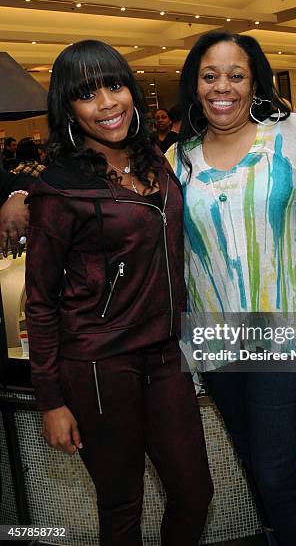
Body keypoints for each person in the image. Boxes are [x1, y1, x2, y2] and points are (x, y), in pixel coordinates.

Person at [25, 40, 213, 546]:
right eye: (88, 94)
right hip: (97, 364)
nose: (108, 103)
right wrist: (50, 401)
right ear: (68, 108)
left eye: (115, 85)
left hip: (164, 354)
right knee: (122, 505)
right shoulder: (58, 190)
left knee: (195, 492)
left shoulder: (155, 160)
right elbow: (40, 301)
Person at [167, 31, 296, 546]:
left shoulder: (294, 133)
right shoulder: (177, 160)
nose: (223, 87)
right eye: (210, 76)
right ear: (195, 85)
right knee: (254, 463)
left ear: (253, 80)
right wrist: (17, 190)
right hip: (217, 341)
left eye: (236, 75)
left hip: (287, 332)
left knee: (277, 470)